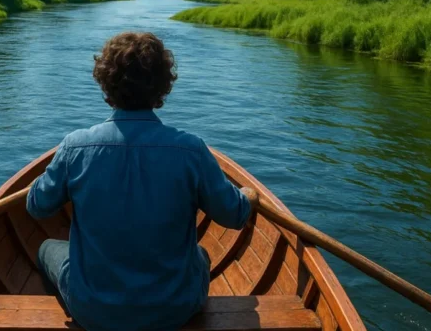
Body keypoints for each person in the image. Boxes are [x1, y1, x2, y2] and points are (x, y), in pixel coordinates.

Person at [26, 32, 259, 331]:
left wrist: (51, 178)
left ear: (106, 84)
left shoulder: (75, 148)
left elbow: (37, 207)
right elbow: (234, 215)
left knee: (46, 248)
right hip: (174, 311)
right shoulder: (192, 150)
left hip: (94, 313)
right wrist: (247, 196)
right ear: (162, 87)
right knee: (201, 254)